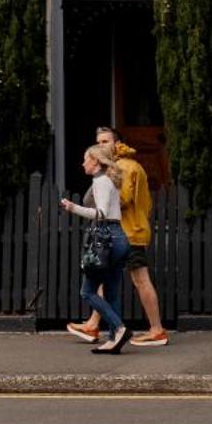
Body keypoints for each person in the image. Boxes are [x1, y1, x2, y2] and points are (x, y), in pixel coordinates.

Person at [67, 128, 169, 347]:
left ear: (117, 143)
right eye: (98, 142)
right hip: (130, 230)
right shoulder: (128, 166)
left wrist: (98, 191)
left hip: (128, 231)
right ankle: (93, 325)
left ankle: (157, 330)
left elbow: (120, 200)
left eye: (105, 141)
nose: (101, 146)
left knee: (140, 280)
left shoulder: (122, 167)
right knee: (107, 279)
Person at [61, 143, 131, 354]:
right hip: (119, 238)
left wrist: (73, 208)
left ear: (96, 162)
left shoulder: (101, 182)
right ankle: (113, 339)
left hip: (106, 238)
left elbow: (100, 214)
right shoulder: (109, 181)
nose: (83, 163)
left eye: (86, 159)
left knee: (87, 291)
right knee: (111, 294)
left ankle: (119, 329)